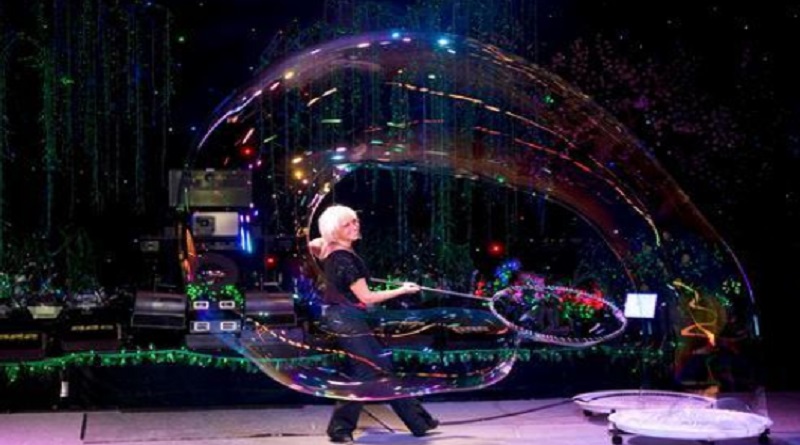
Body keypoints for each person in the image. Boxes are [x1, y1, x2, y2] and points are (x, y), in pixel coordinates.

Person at [309, 204, 439, 443]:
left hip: (344, 316)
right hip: (346, 319)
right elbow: (367, 297)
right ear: (334, 230)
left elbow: (313, 245)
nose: (354, 226)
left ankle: (420, 421)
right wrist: (402, 290)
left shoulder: (329, 248)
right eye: (346, 224)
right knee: (367, 371)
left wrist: (326, 240)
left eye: (354, 221)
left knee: (383, 367)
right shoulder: (345, 259)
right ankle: (340, 429)